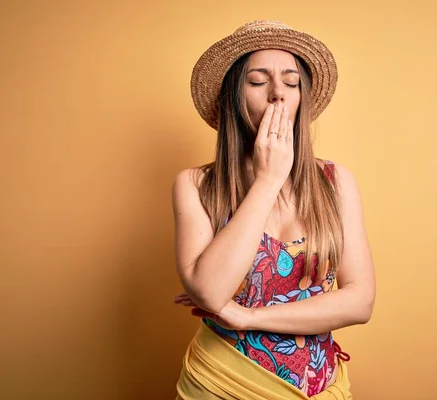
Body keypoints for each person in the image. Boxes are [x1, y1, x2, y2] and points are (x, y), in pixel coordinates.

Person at [172, 20, 375, 400]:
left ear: (302, 97)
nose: (278, 94)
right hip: (222, 382)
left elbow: (360, 301)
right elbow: (212, 293)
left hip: (322, 386)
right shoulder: (195, 185)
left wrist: (248, 316)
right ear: (234, 97)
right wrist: (268, 179)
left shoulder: (336, 181)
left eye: (291, 82)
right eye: (257, 81)